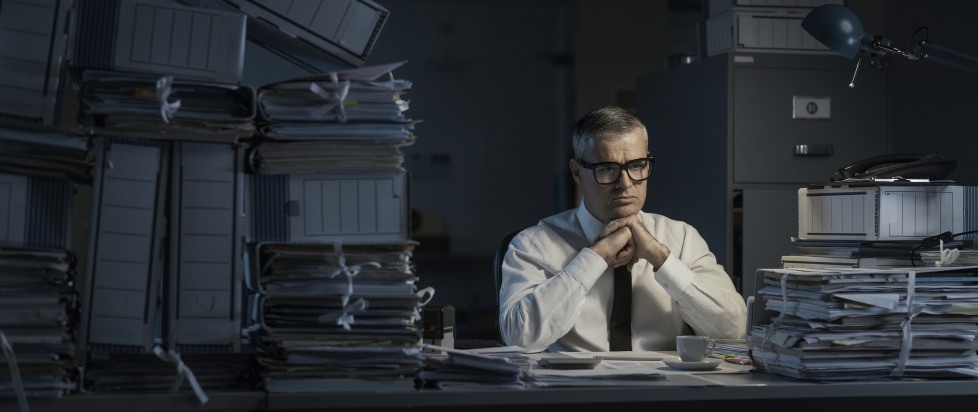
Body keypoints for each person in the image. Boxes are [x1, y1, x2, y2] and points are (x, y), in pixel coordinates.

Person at [498, 105, 746, 353]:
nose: (625, 184)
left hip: (667, 388)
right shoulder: (533, 244)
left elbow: (735, 330)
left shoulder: (683, 239)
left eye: (637, 165)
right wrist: (596, 256)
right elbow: (520, 339)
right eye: (607, 169)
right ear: (577, 173)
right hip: (578, 388)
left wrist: (661, 258)